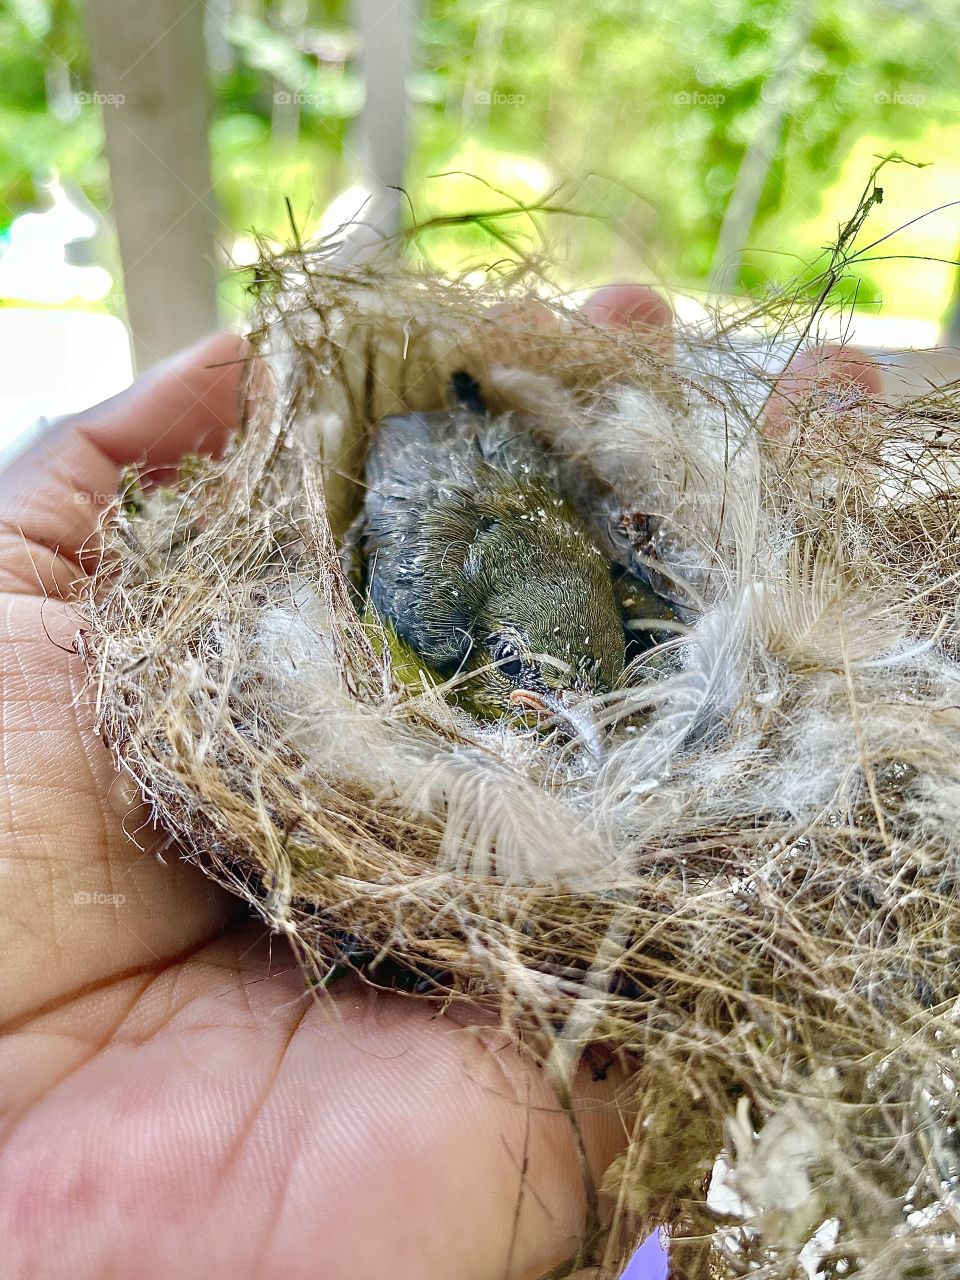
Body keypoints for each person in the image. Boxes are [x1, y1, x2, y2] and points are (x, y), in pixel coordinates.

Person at [0, 288, 879, 1279]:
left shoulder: (578, 628)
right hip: (437, 453)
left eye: (573, 691)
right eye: (524, 683)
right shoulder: (429, 606)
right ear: (488, 653)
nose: (558, 715)